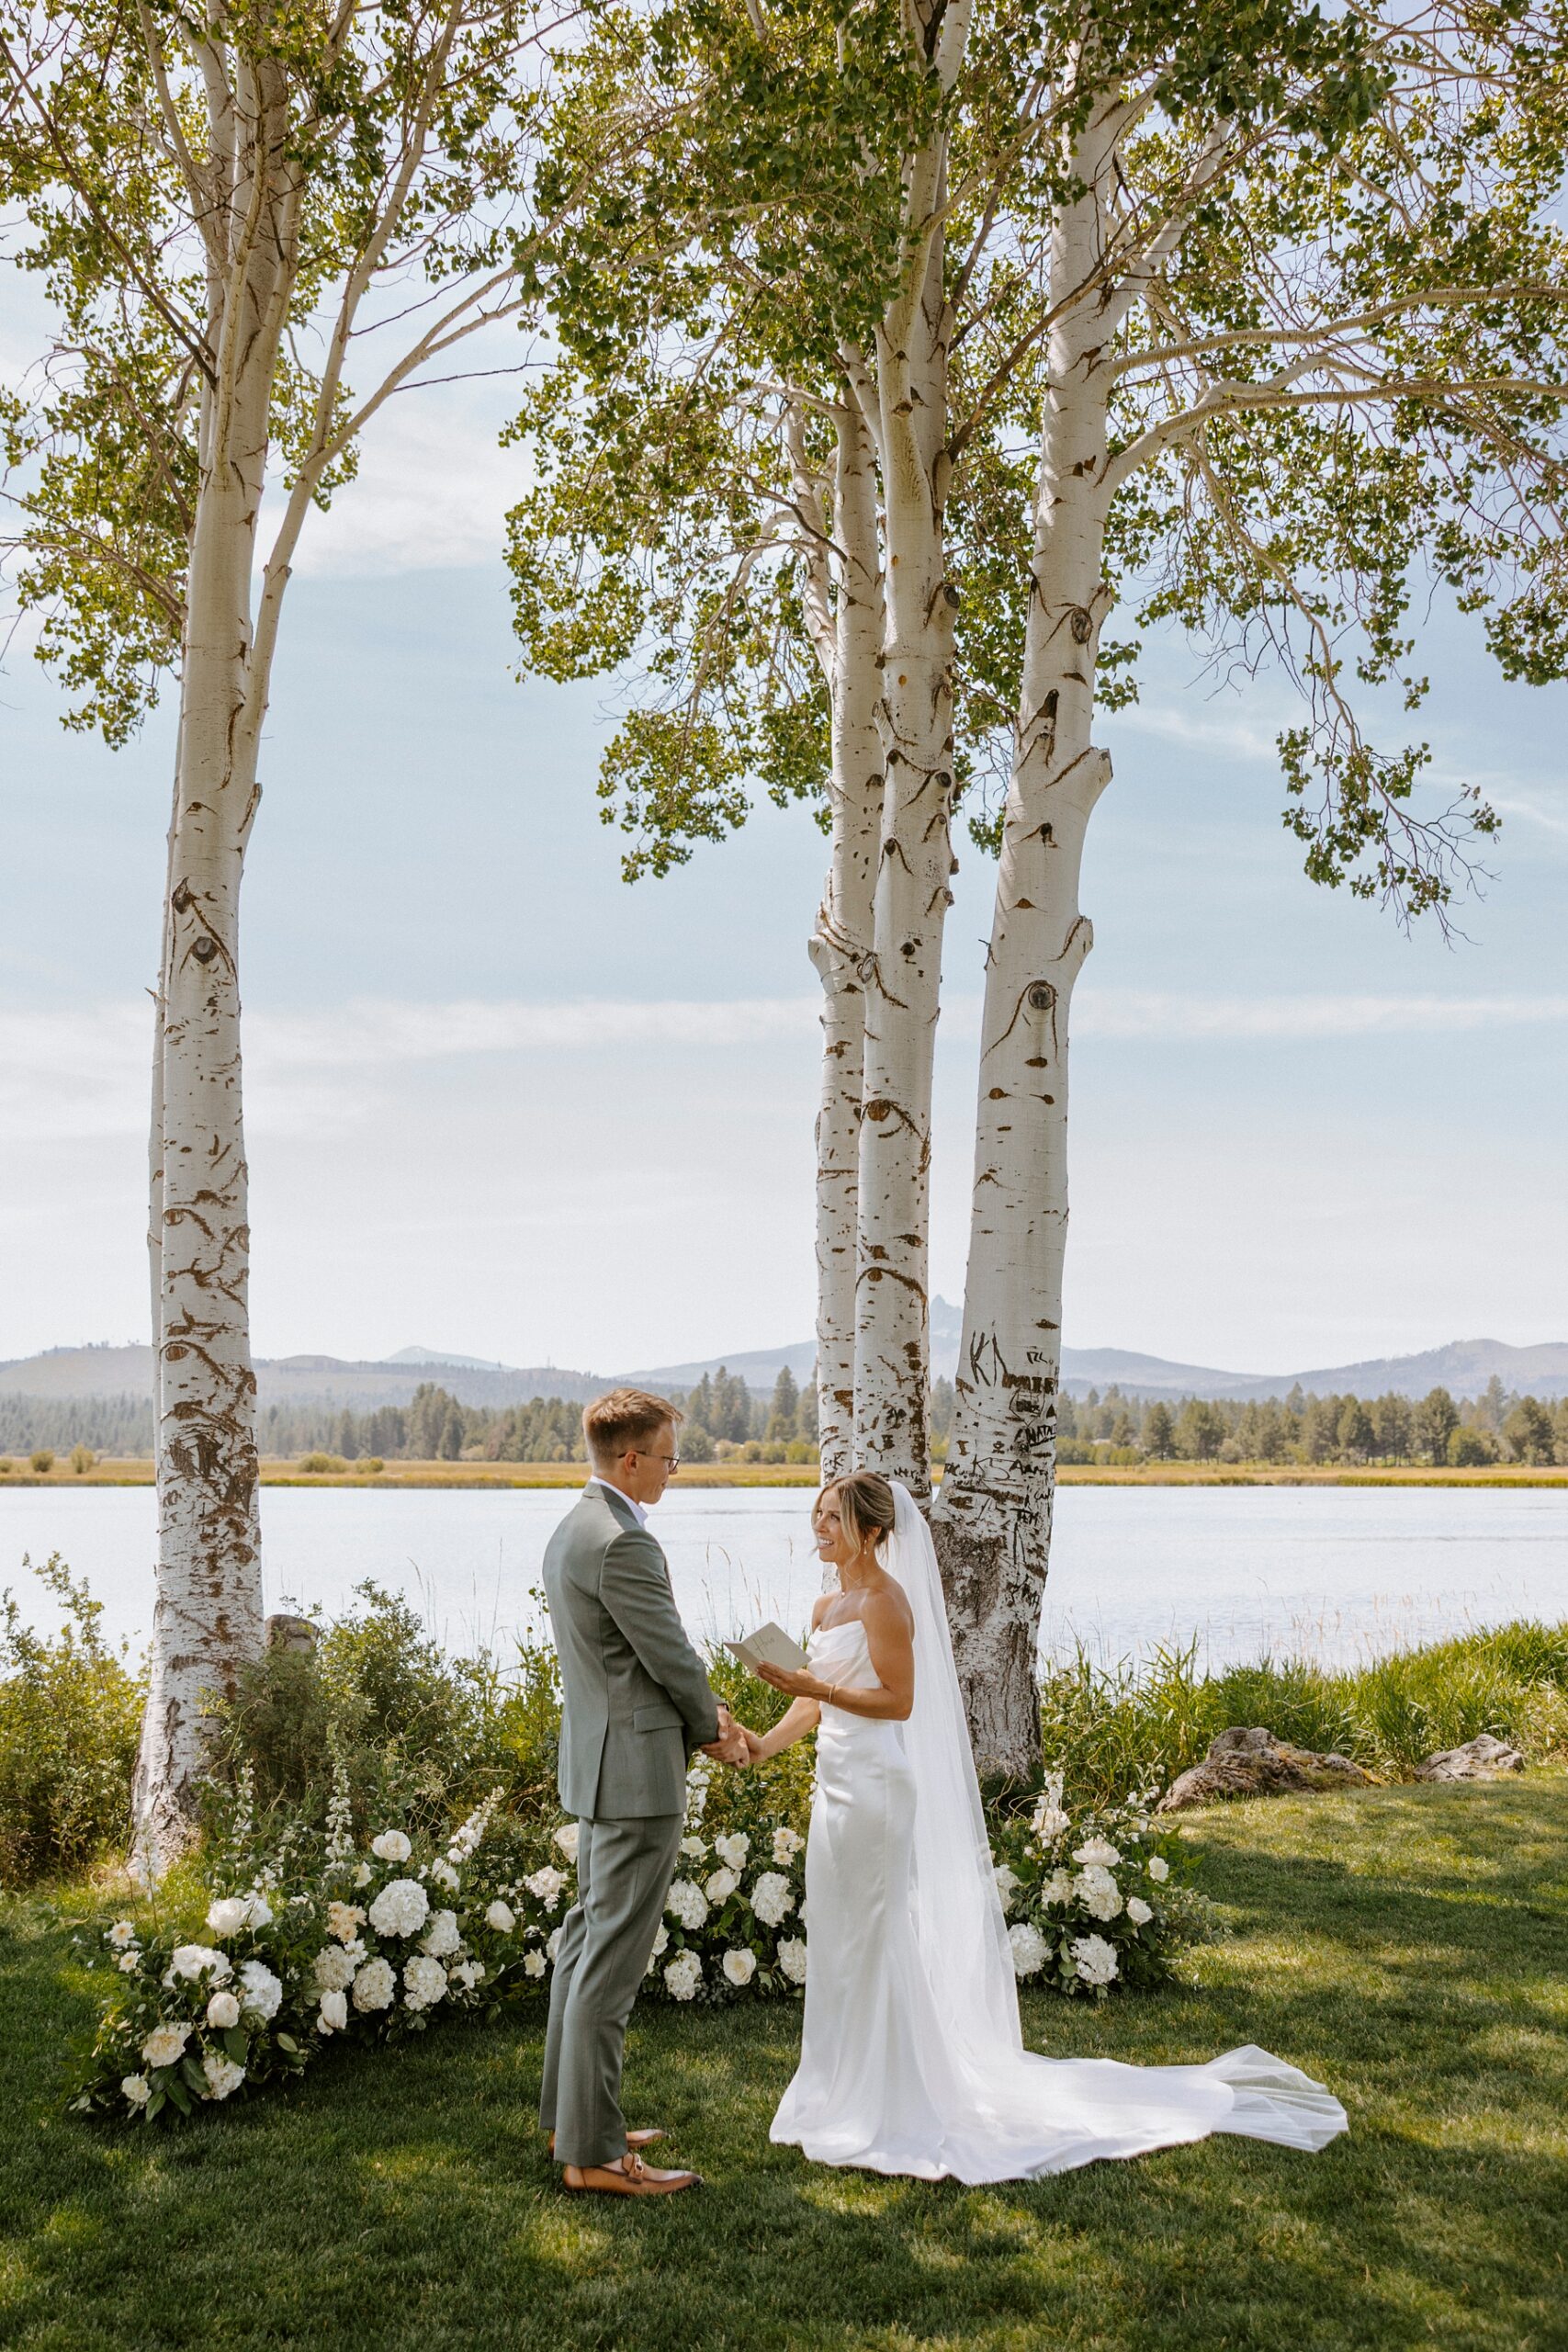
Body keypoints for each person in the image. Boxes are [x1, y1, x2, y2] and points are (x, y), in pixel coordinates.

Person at [739, 1471, 1348, 2183]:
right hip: (833, 1786)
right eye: (816, 1516)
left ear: (871, 1532)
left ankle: (892, 2098)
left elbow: (897, 1702)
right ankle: (834, 2088)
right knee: (840, 1931)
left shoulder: (885, 1603)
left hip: (876, 1787)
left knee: (876, 1932)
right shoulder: (824, 1607)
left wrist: (816, 1686)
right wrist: (759, 1744)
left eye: (832, 1520)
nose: (819, 1529)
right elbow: (814, 1709)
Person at [538, 1387, 750, 2197]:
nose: (672, 1469)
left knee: (582, 1945)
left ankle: (575, 2121)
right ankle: (592, 2158)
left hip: (598, 1765)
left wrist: (704, 1709)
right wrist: (712, 1727)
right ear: (630, 1458)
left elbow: (625, 1663)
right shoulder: (624, 1542)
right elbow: (668, 1655)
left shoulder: (573, 1529)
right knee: (609, 1965)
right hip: (635, 1777)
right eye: (667, 1456)